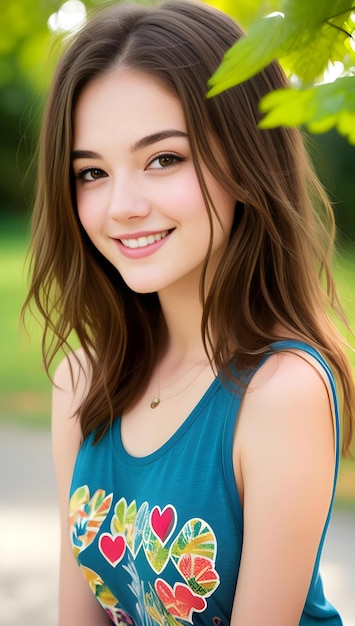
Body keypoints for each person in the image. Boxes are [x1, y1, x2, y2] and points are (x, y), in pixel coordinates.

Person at [23, 0, 355, 624]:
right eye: (91, 172)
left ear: (246, 158)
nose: (121, 205)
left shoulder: (282, 393)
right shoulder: (82, 382)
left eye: (163, 159)